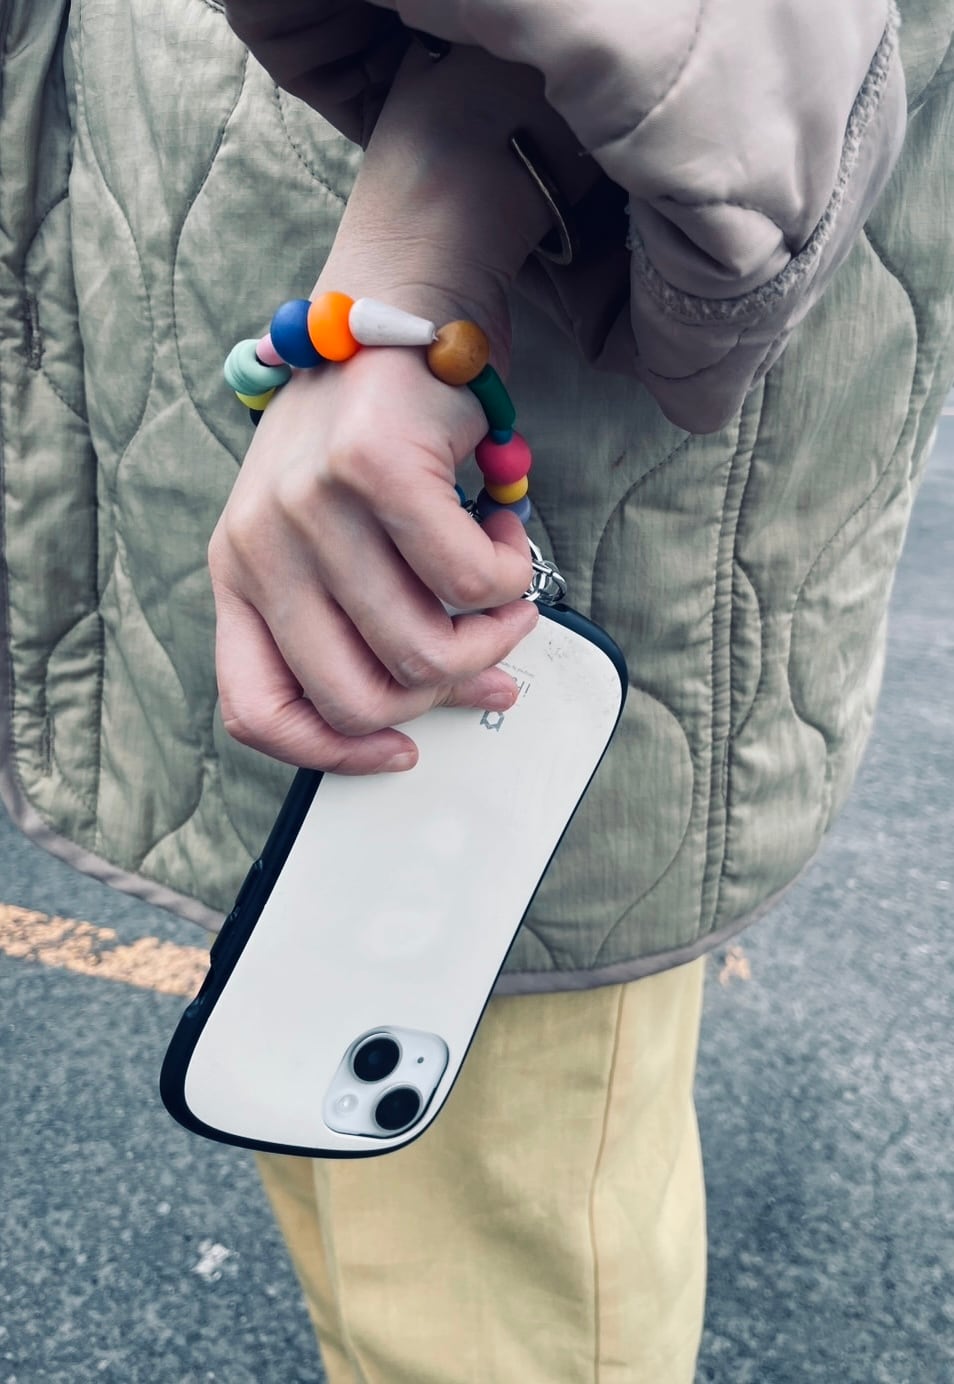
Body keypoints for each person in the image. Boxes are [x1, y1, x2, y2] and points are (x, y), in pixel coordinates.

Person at [2, 1, 951, 1379]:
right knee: (346, 1165)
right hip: (279, 397)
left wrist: (421, 261)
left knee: (490, 1279)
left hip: (489, 387)